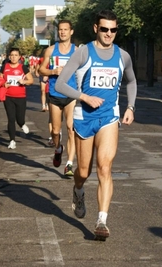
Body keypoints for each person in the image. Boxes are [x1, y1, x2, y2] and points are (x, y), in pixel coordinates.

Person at [55, 10, 137, 240]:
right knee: (83, 171)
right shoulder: (83, 53)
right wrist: (83, 97)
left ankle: (102, 220)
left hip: (109, 117)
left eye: (113, 30)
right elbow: (61, 84)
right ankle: (78, 190)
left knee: (105, 167)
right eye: (104, 29)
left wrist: (130, 107)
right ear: (95, 29)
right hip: (84, 117)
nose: (109, 34)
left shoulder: (123, 56)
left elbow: (131, 80)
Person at [39, 20, 77, 177]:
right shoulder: (50, 50)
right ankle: (58, 148)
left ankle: (69, 164)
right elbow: (40, 69)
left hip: (71, 95)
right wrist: (53, 72)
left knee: (71, 128)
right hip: (55, 94)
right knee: (55, 131)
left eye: (65, 30)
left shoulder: (77, 51)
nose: (62, 32)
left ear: (71, 32)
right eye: (60, 30)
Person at [0, 48, 34, 149]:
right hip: (8, 97)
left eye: (16, 55)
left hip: (20, 97)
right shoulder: (4, 67)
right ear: (9, 56)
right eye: (12, 55)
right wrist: (3, 83)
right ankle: (12, 141)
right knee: (11, 119)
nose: (14, 57)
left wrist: (24, 82)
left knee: (20, 119)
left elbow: (31, 80)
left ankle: (22, 124)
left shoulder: (23, 67)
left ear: (19, 57)